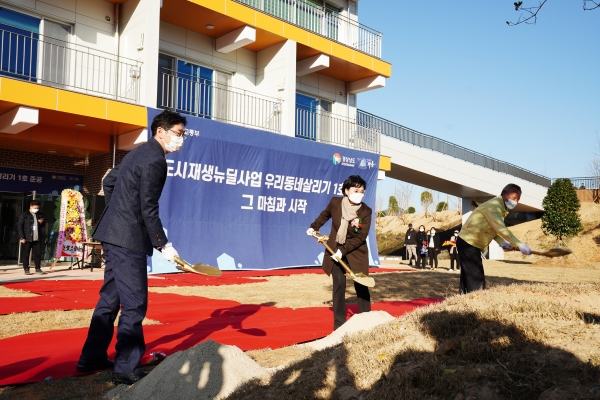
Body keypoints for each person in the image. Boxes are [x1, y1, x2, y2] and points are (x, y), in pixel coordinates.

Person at [77, 110, 187, 385]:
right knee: (135, 303)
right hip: (128, 239)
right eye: (178, 133)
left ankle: (91, 357)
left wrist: (118, 211)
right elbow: (148, 208)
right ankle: (126, 367)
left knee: (110, 300)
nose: (181, 140)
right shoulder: (155, 161)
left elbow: (108, 182)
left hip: (114, 234)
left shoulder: (136, 153)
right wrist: (163, 244)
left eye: (183, 135)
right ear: (160, 131)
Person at [307, 175, 372, 331]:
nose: (359, 194)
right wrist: (313, 227)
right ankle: (339, 326)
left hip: (356, 253)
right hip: (335, 250)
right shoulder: (335, 203)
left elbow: (361, 237)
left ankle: (366, 322)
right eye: (356, 190)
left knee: (361, 286)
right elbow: (325, 215)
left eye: (362, 191)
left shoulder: (365, 211)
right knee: (339, 285)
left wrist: (342, 251)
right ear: (346, 191)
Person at [457, 183, 531, 294]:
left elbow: (492, 228)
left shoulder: (500, 208)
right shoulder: (494, 206)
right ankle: (476, 300)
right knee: (476, 277)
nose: (516, 202)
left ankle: (464, 300)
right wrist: (519, 244)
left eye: (518, 199)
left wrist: (502, 243)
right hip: (469, 242)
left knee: (469, 276)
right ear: (505, 195)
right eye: (514, 197)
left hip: (470, 243)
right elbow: (501, 228)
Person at [17, 200, 45, 275]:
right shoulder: (25, 214)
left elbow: (43, 225)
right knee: (26, 254)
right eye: (35, 208)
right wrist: (22, 237)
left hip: (37, 237)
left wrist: (42, 222)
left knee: (37, 253)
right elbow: (20, 226)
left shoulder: (40, 214)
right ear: (31, 207)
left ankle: (38, 268)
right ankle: (26, 268)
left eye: (38, 208)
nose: (36, 209)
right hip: (27, 237)